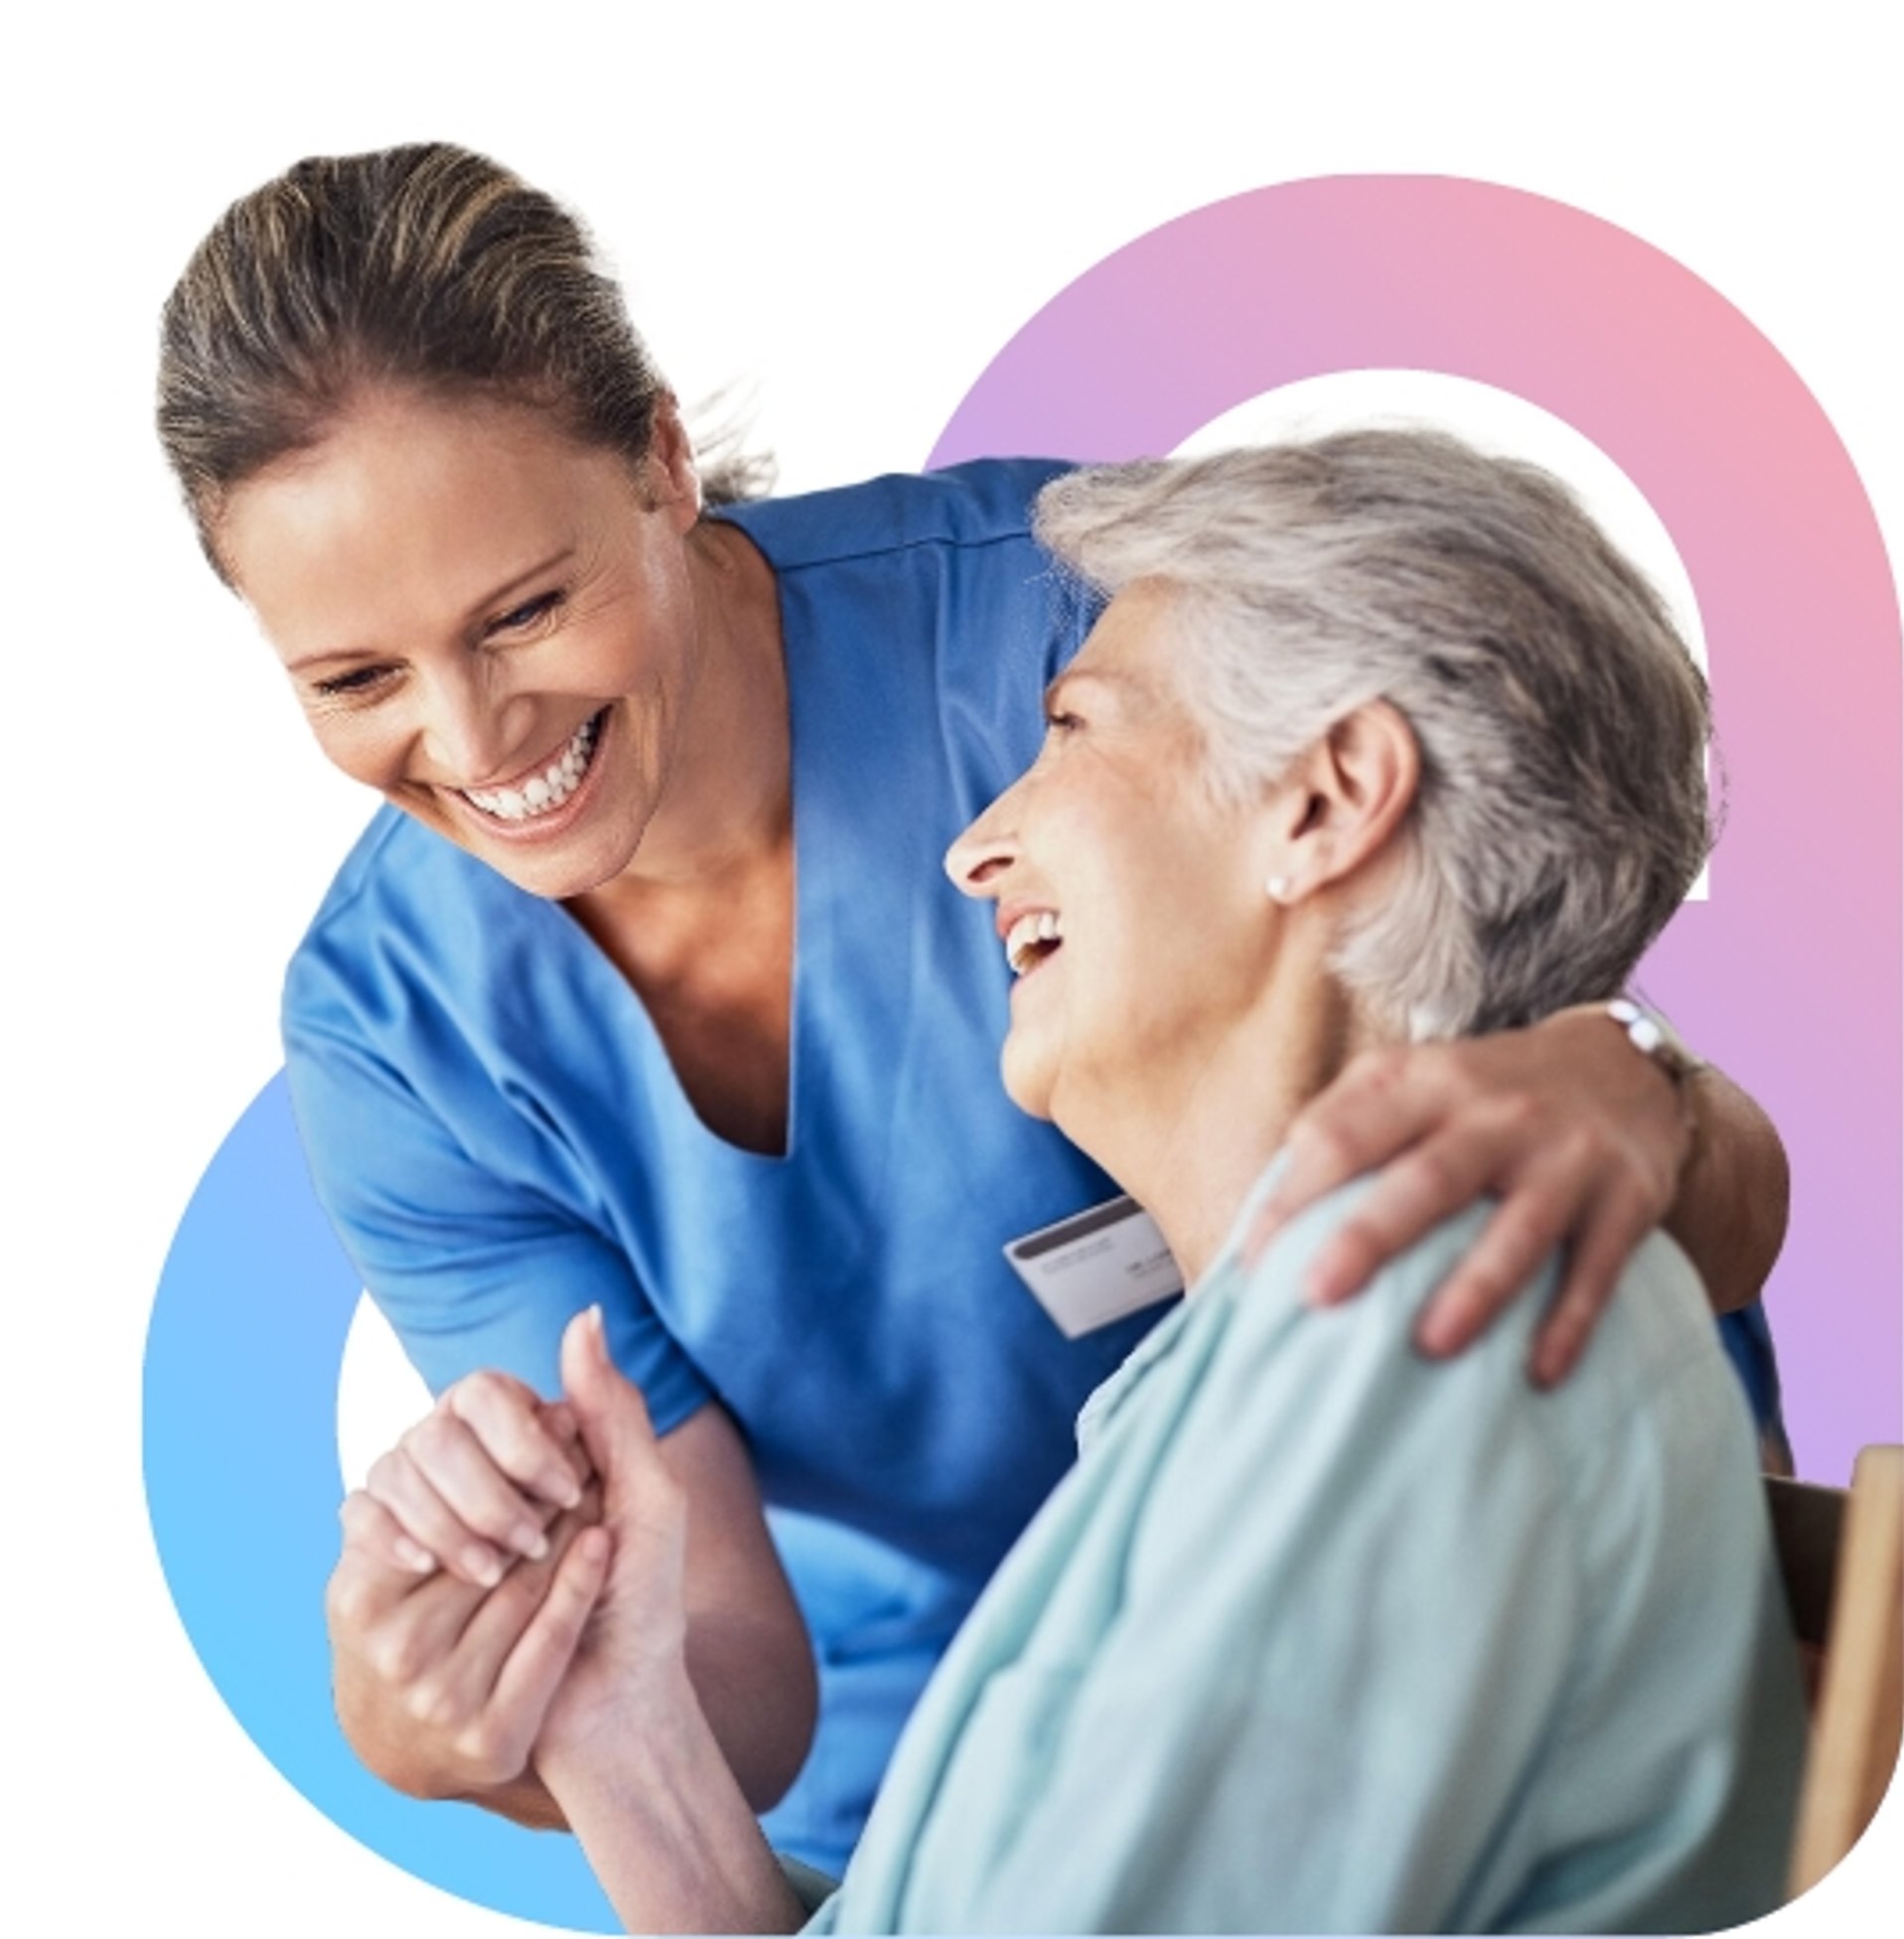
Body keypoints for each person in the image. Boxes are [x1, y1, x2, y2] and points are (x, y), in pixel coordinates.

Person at [156, 143, 1793, 1873]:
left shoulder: (1087, 633)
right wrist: (490, 1707)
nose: (477, 743)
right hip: (968, 1774)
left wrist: (1628, 1080)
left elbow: (1541, 942)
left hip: (1391, 1605)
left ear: (658, 459)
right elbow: (703, 1647)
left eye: (528, 609)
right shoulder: (396, 1029)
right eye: (353, 680)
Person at [502, 434, 1809, 1934]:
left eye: (1070, 727)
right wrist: (624, 1742)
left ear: (1326, 802)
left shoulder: (1413, 1337)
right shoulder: (1253, 1366)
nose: (976, 847)